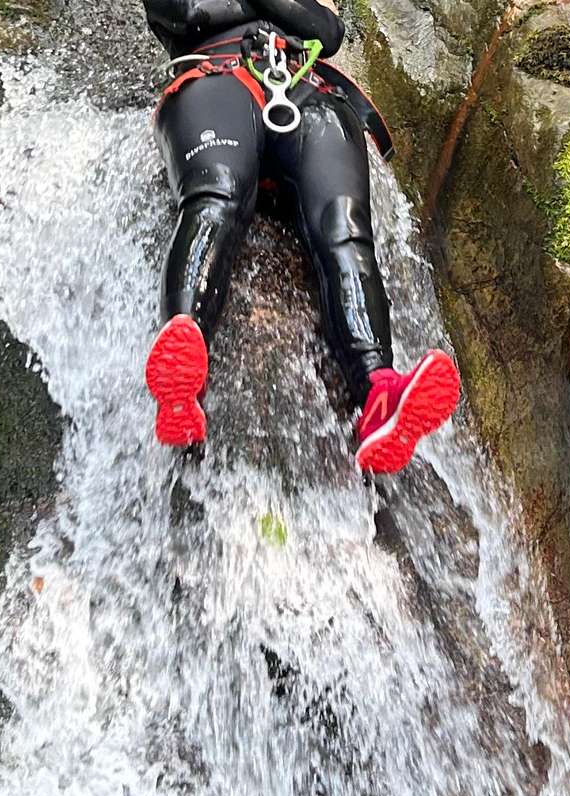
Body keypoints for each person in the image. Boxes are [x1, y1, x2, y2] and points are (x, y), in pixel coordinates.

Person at [140, 0, 462, 475]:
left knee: (346, 230)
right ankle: (182, 377)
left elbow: (326, 30)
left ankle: (379, 393)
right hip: (216, 76)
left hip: (304, 87)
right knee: (216, 196)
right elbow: (184, 13)